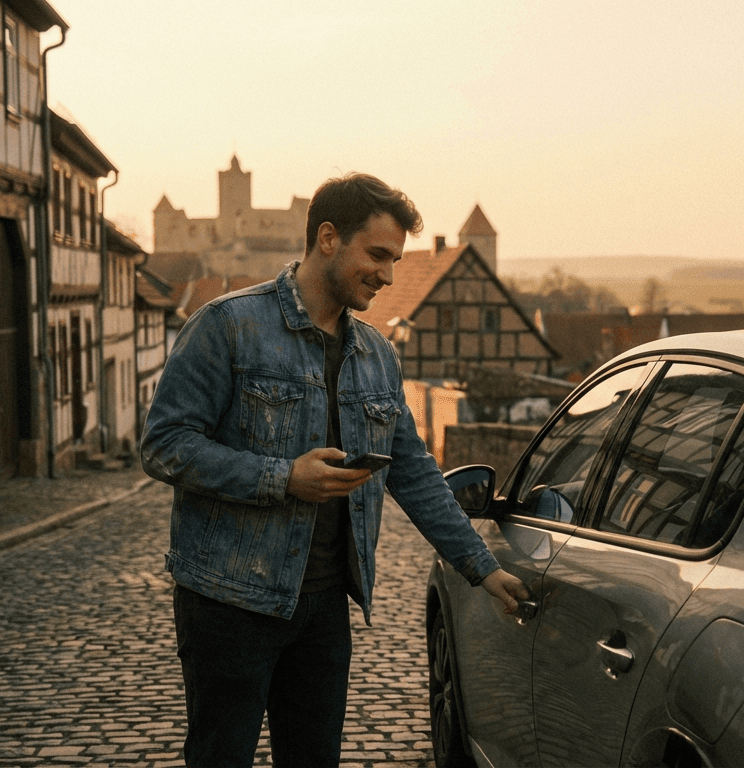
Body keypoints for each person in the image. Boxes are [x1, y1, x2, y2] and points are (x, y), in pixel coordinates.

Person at [140, 172, 529, 767]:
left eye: (396, 259)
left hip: (323, 606)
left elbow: (415, 471)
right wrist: (282, 477)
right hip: (228, 600)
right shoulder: (228, 326)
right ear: (327, 238)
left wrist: (480, 567)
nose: (389, 274)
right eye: (377, 255)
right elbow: (164, 443)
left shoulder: (377, 354)